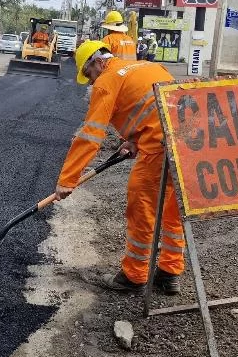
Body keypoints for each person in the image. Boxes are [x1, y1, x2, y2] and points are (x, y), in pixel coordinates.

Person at [53, 40, 185, 295]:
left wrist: (67, 180)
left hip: (159, 148)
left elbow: (90, 136)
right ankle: (170, 273)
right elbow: (152, 106)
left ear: (99, 62)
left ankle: (134, 276)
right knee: (173, 208)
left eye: (89, 74)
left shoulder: (107, 81)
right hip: (189, 142)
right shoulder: (143, 66)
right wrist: (135, 139)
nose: (91, 83)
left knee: (142, 208)